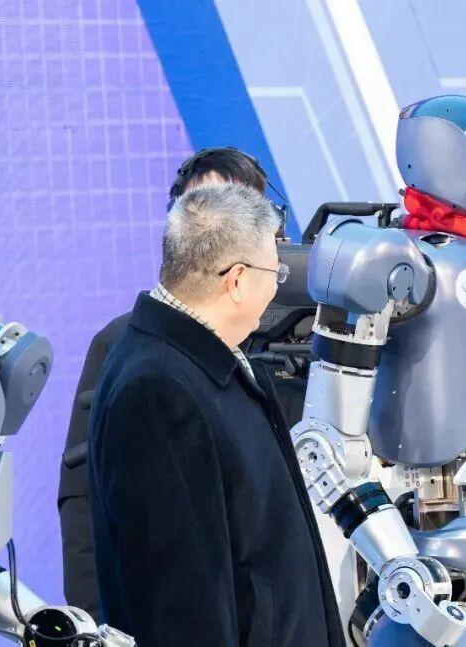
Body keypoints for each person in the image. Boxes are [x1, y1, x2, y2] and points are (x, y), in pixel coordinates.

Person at [88, 184, 343, 646]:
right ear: (238, 280)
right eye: (276, 271)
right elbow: (180, 603)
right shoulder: (159, 391)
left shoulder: (206, 365)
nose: (278, 286)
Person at [57, 147, 280, 617]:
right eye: (203, 210)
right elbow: (84, 497)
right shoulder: (125, 347)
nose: (219, 227)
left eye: (240, 211)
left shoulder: (307, 346)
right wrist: (94, 621)